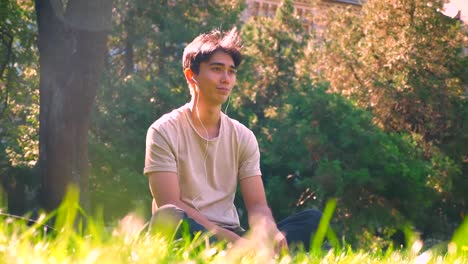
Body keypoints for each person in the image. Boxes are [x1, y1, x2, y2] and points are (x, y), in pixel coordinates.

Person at [144, 27, 322, 251]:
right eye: (217, 69)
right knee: (168, 216)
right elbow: (170, 203)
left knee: (313, 221)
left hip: (233, 235)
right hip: (194, 231)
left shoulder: (243, 136)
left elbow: (257, 206)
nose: (226, 79)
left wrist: (271, 232)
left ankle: (253, 255)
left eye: (231, 71)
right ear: (192, 75)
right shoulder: (163, 130)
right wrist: (236, 243)